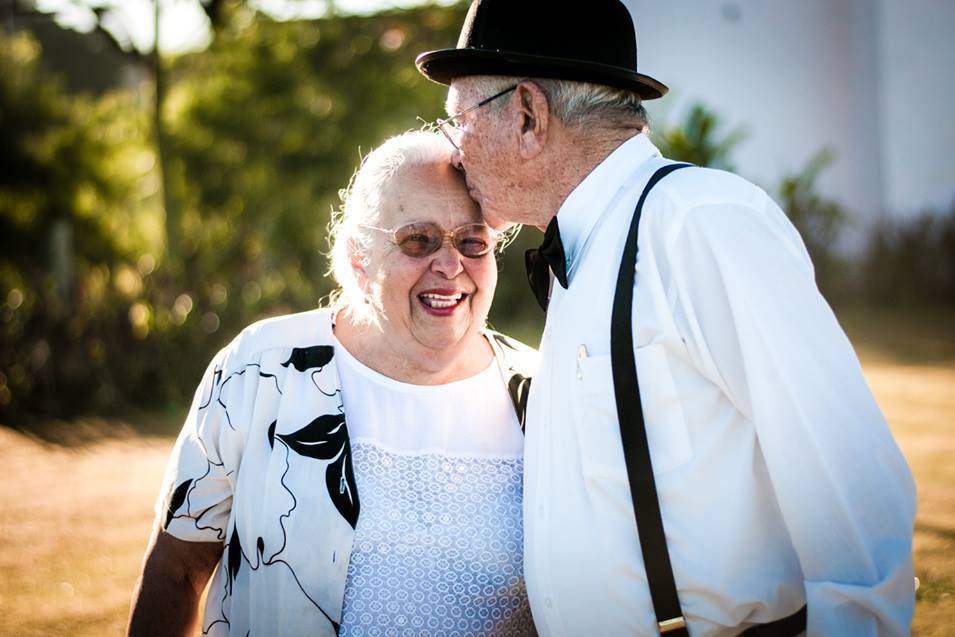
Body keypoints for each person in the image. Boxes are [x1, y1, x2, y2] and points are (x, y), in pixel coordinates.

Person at [415, 1, 917, 635]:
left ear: (527, 115)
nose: (453, 153)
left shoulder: (698, 223)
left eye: (457, 120)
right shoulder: (581, 253)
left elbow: (855, 497)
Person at [127, 131, 538, 637]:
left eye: (472, 241)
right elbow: (178, 570)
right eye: (418, 239)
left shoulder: (541, 391)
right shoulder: (261, 368)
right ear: (360, 258)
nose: (451, 266)